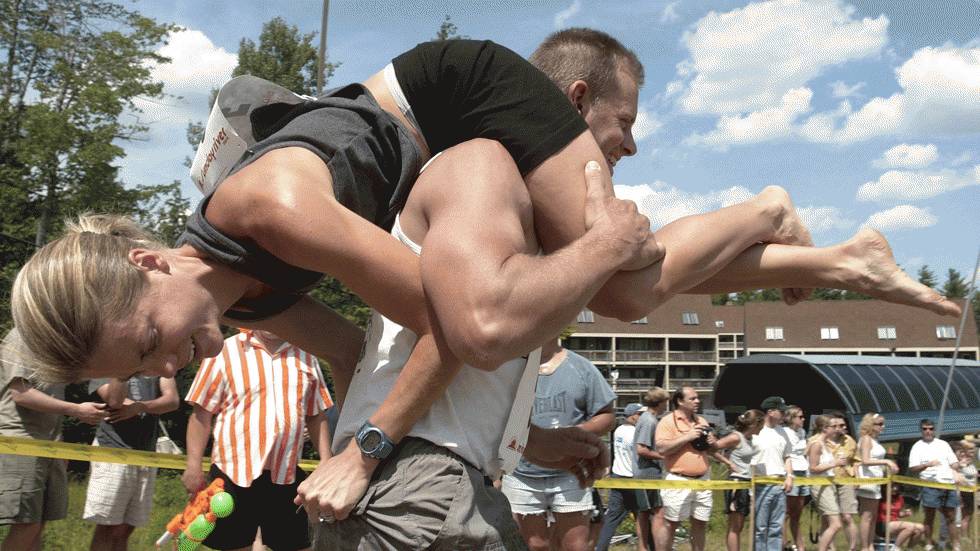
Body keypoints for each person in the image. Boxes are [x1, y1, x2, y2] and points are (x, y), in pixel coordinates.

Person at [11, 30, 961, 522]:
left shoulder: (271, 208)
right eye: (139, 365)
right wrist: (533, 438)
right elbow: (367, 361)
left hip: (454, 93)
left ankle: (766, 208)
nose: (165, 364)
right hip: (423, 150)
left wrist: (365, 453)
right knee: (600, 297)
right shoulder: (246, 299)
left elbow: (458, 330)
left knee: (617, 286)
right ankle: (841, 259)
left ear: (148, 261)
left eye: (148, 337)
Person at [182, 329, 332, 551]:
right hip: (233, 474)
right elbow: (201, 414)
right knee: (234, 546)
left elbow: (316, 415)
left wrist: (326, 462)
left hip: (285, 474)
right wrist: (193, 466)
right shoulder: (224, 351)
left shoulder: (306, 355)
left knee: (298, 545)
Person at [501, 339, 616, 551]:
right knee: (535, 545)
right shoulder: (508, 367)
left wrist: (574, 435)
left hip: (571, 471)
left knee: (575, 545)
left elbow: (607, 415)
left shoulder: (581, 368)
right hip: (521, 473)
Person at [0, 329, 108, 551]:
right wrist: (77, 410)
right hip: (21, 441)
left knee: (37, 525)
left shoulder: (51, 340)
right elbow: (21, 394)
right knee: (27, 525)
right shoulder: (22, 336)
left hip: (49, 444)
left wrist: (59, 443)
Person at [83, 375, 179, 551]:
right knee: (107, 526)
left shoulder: (158, 364)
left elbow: (172, 400)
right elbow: (115, 401)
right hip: (112, 451)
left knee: (125, 529)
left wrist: (140, 407)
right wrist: (125, 370)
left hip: (145, 454)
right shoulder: (107, 365)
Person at [655, 386, 716, 551]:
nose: (697, 401)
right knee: (671, 523)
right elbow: (661, 449)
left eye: (698, 398)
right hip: (678, 479)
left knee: (700, 523)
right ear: (680, 401)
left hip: (703, 480)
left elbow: (711, 451)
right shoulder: (667, 421)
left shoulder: (701, 421)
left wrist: (712, 443)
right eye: (692, 398)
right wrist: (687, 437)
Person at [595, 403, 650, 551]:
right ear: (632, 416)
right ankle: (651, 546)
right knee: (643, 517)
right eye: (640, 414)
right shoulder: (635, 433)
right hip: (633, 479)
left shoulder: (619, 430)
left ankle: (600, 548)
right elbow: (642, 454)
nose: (643, 417)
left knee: (611, 519)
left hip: (618, 477)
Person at [714, 409, 764, 551]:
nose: (762, 429)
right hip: (737, 482)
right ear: (754, 424)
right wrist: (728, 463)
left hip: (747, 482)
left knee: (740, 525)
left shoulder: (750, 439)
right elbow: (712, 448)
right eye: (761, 425)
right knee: (735, 525)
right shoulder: (736, 437)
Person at [749, 397, 794, 551]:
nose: (784, 415)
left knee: (776, 526)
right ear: (770, 412)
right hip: (760, 485)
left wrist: (789, 476)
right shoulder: (756, 431)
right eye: (782, 411)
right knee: (760, 528)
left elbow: (787, 457)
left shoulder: (783, 432)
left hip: (779, 484)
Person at [909, 419, 961, 551]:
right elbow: (913, 468)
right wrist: (927, 465)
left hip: (948, 483)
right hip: (930, 484)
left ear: (934, 430)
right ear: (921, 430)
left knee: (951, 516)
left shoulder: (943, 444)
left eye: (931, 428)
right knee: (930, 515)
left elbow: (954, 463)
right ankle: (929, 544)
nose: (928, 431)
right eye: (925, 429)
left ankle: (956, 545)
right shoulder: (917, 446)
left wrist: (958, 467)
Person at [634, 387, 671, 551]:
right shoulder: (649, 421)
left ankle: (644, 547)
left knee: (643, 513)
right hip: (648, 474)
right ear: (660, 402)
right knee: (658, 513)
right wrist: (663, 457)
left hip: (644, 473)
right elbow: (641, 449)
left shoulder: (647, 418)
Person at [855, 413, 899, 551]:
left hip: (876, 481)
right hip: (867, 481)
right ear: (870, 425)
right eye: (879, 424)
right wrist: (886, 461)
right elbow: (865, 460)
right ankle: (864, 547)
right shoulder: (866, 439)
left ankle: (870, 544)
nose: (882, 427)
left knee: (873, 516)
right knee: (867, 516)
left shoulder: (875, 440)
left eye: (883, 424)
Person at [808, 414, 851, 551]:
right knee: (836, 524)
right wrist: (835, 463)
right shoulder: (816, 444)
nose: (837, 429)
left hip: (829, 483)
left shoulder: (825, 444)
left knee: (827, 523)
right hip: (820, 485)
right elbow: (813, 468)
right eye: (833, 426)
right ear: (825, 428)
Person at [825, 412, 860, 550]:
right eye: (838, 425)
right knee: (829, 518)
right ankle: (830, 548)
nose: (842, 427)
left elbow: (856, 461)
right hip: (827, 481)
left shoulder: (849, 440)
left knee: (847, 517)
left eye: (843, 425)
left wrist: (857, 479)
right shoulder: (822, 441)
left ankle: (852, 548)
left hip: (846, 480)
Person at [780, 405, 810, 551]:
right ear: (791, 418)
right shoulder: (784, 432)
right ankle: (784, 544)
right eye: (800, 417)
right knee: (786, 512)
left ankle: (800, 546)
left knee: (797, 513)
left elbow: (803, 452)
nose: (803, 419)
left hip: (803, 471)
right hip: (791, 472)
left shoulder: (802, 432)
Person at [954, 440, 976, 543]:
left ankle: (966, 535)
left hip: (971, 492)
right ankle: (962, 537)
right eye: (970, 449)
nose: (973, 452)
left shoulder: (971, 462)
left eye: (973, 449)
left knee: (968, 516)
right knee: (963, 516)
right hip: (963, 492)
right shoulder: (961, 463)